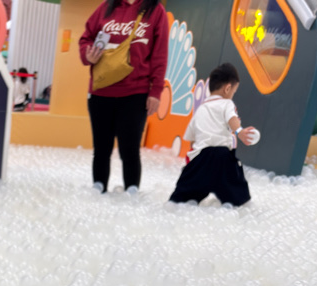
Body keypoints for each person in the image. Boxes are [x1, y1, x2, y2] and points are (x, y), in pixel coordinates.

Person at [79, 0, 169, 194]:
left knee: (130, 149)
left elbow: (160, 55)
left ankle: (132, 189)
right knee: (101, 147)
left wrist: (156, 91)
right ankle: (99, 186)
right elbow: (85, 38)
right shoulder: (106, 7)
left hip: (136, 93)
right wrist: (88, 54)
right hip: (101, 92)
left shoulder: (155, 10)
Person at [169, 63, 254, 207]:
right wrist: (240, 132)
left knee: (180, 201)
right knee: (240, 201)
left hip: (200, 160)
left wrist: (192, 162)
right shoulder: (227, 104)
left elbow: (192, 140)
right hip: (222, 158)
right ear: (227, 88)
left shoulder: (200, 110)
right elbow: (232, 118)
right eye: (234, 92)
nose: (232, 95)